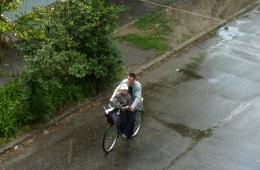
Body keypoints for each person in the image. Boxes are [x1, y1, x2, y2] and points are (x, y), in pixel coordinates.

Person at [110, 73, 142, 137]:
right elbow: (117, 89)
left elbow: (138, 97)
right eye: (128, 79)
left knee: (131, 119)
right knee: (120, 115)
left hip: (133, 102)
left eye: (131, 80)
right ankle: (122, 128)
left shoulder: (138, 85)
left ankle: (130, 134)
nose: (129, 81)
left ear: (134, 80)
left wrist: (133, 106)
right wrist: (112, 97)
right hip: (124, 100)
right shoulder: (125, 82)